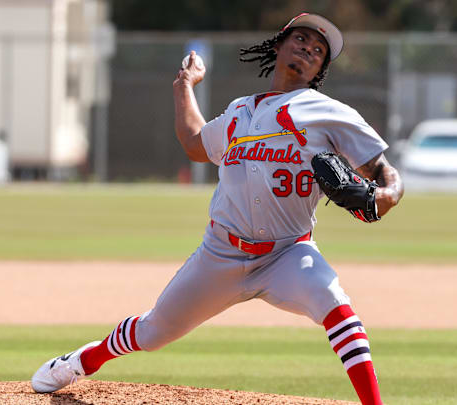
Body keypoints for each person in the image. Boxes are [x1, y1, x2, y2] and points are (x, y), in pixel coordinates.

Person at [31, 13, 404, 405]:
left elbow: (384, 173)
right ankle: (80, 362)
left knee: (337, 307)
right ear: (278, 45)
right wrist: (184, 86)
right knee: (154, 331)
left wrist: (384, 196)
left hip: (289, 253)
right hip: (221, 254)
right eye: (300, 40)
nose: (307, 50)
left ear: (320, 69)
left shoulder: (331, 114)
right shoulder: (241, 111)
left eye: (318, 51)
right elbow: (195, 142)